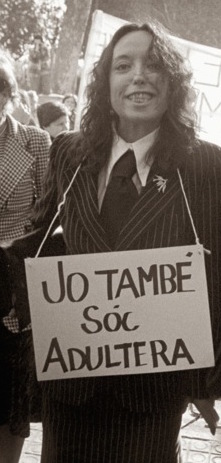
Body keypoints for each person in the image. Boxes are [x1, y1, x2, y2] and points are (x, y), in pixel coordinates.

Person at [1, 20, 221, 463]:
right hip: (70, 387)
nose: (138, 75)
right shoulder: (70, 152)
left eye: (153, 64)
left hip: (153, 394)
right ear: (106, 84)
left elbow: (215, 276)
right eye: (123, 65)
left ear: (173, 82)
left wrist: (205, 382)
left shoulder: (204, 165)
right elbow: (34, 241)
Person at [0, 49, 51, 463]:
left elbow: (51, 220)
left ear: (8, 95)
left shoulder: (35, 141)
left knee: (10, 408)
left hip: (12, 299)